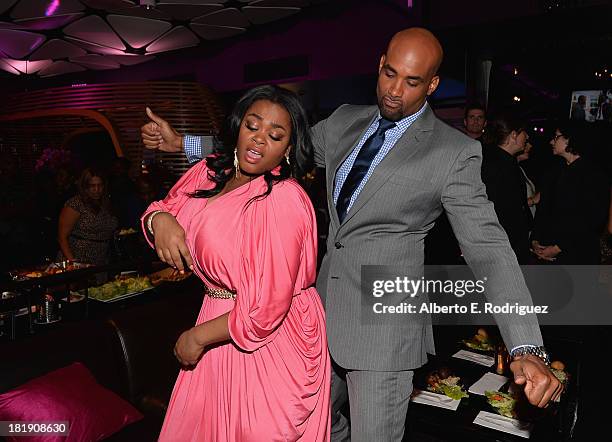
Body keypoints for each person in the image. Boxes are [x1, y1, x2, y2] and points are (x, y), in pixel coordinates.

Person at [142, 28, 561, 441]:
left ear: (432, 84)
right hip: (315, 319)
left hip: (383, 329)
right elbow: (273, 142)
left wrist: (527, 345)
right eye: (390, 74)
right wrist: (184, 142)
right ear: (379, 65)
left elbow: (489, 249)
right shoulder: (345, 120)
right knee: (306, 427)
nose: (395, 90)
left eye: (412, 82)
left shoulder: (452, 153)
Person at [141, 85, 330, 441]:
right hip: (219, 321)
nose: (259, 140)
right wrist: (160, 221)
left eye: (275, 135)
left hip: (272, 341)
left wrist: (196, 338)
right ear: (237, 126)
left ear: (288, 149)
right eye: (252, 126)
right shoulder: (212, 170)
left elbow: (265, 310)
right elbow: (162, 208)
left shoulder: (283, 200)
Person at [531, 122, 610, 264]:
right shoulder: (554, 171)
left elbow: (592, 219)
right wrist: (536, 240)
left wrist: (558, 247)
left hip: (578, 255)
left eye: (556, 137)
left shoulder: (594, 175)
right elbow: (543, 209)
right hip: (547, 253)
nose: (551, 141)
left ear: (569, 139)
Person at [481, 116, 533, 263]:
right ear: (514, 135)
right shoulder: (495, 164)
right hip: (503, 246)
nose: (527, 137)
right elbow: (500, 208)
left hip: (508, 244)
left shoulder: (506, 162)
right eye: (525, 133)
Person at [57, 168, 118, 265]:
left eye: (100, 185)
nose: (97, 190)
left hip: (101, 259)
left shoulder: (106, 203)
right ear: (85, 186)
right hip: (78, 258)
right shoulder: (75, 204)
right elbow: (62, 237)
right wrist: (73, 263)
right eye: (92, 186)